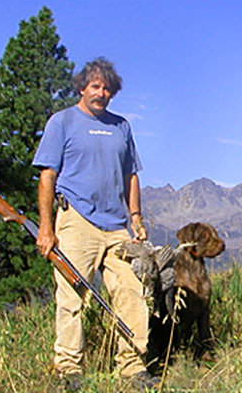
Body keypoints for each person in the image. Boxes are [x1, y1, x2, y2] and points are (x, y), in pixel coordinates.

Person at [32, 57, 159, 391]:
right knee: (72, 296)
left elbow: (131, 174)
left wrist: (136, 218)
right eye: (95, 86)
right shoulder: (62, 122)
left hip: (117, 224)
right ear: (82, 87)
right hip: (76, 220)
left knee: (131, 291)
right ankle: (68, 370)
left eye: (107, 88)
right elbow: (48, 176)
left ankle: (132, 368)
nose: (101, 93)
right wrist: (47, 227)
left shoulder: (122, 127)